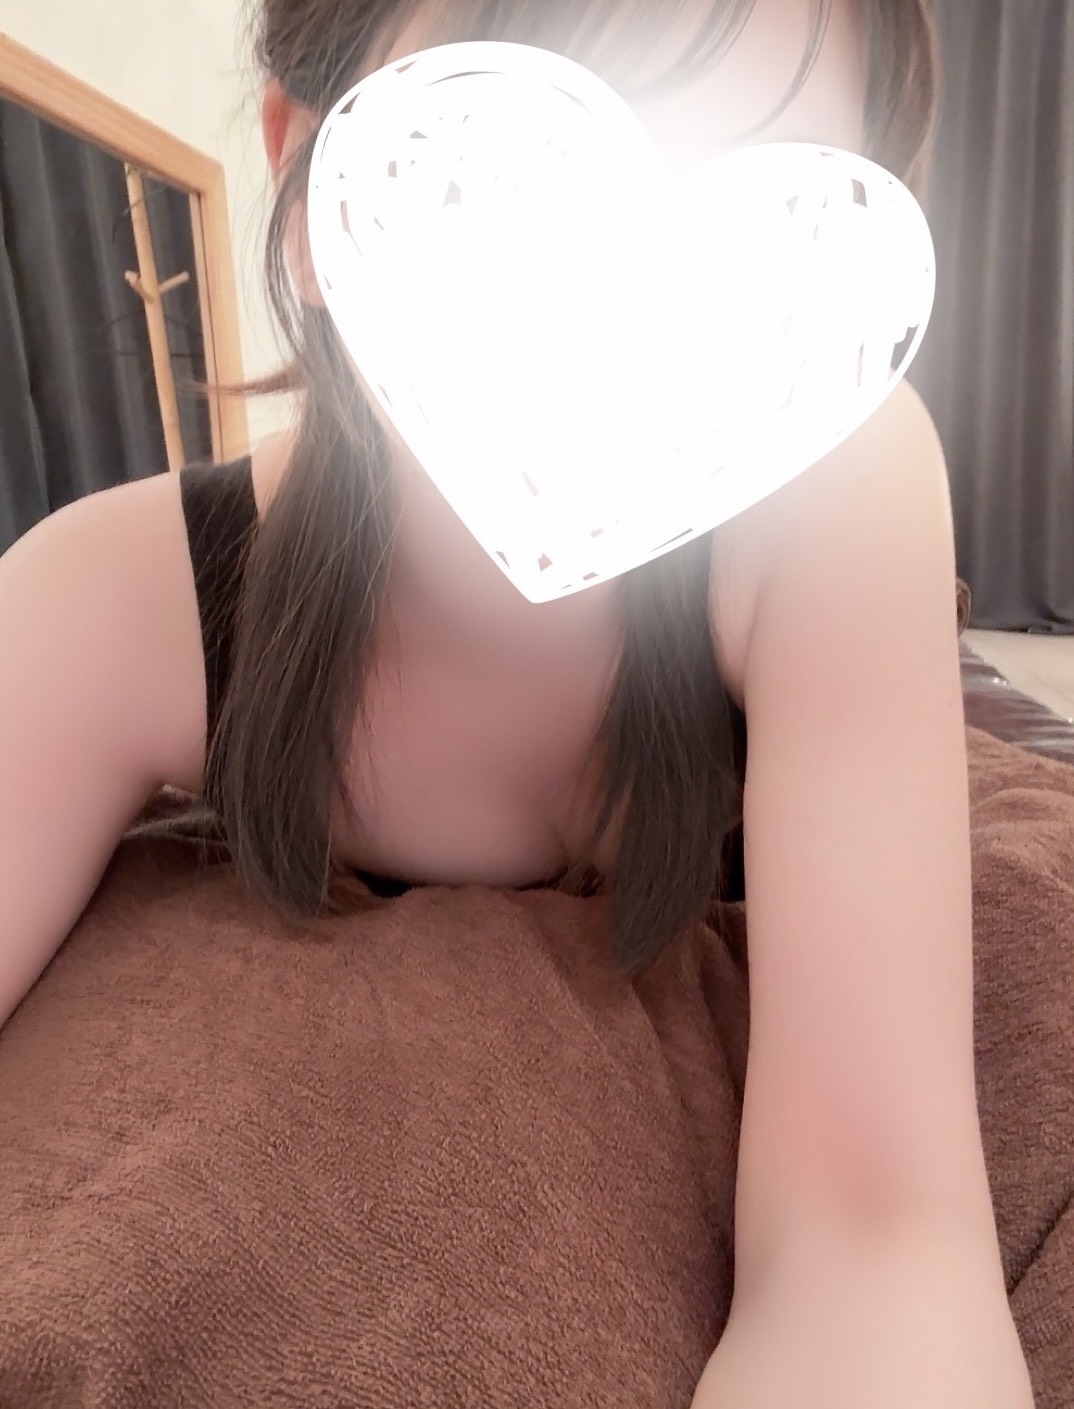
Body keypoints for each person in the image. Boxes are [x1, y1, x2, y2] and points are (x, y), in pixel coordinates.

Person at [0, 0, 1035, 1403]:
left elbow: (877, 1236)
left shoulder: (837, 492)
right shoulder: (112, 597)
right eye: (495, 175)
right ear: (306, 193)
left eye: (754, 218)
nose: (619, 318)